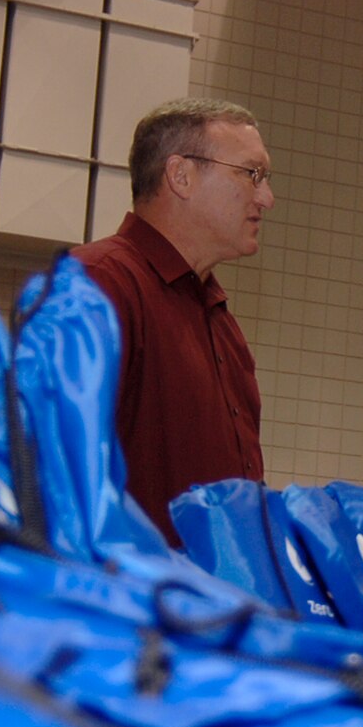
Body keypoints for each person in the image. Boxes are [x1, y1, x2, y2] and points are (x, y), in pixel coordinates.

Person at [72, 98, 271, 545]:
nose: (266, 198)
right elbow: (49, 472)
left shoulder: (219, 322)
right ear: (181, 176)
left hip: (212, 604)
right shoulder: (97, 286)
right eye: (251, 174)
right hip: (128, 605)